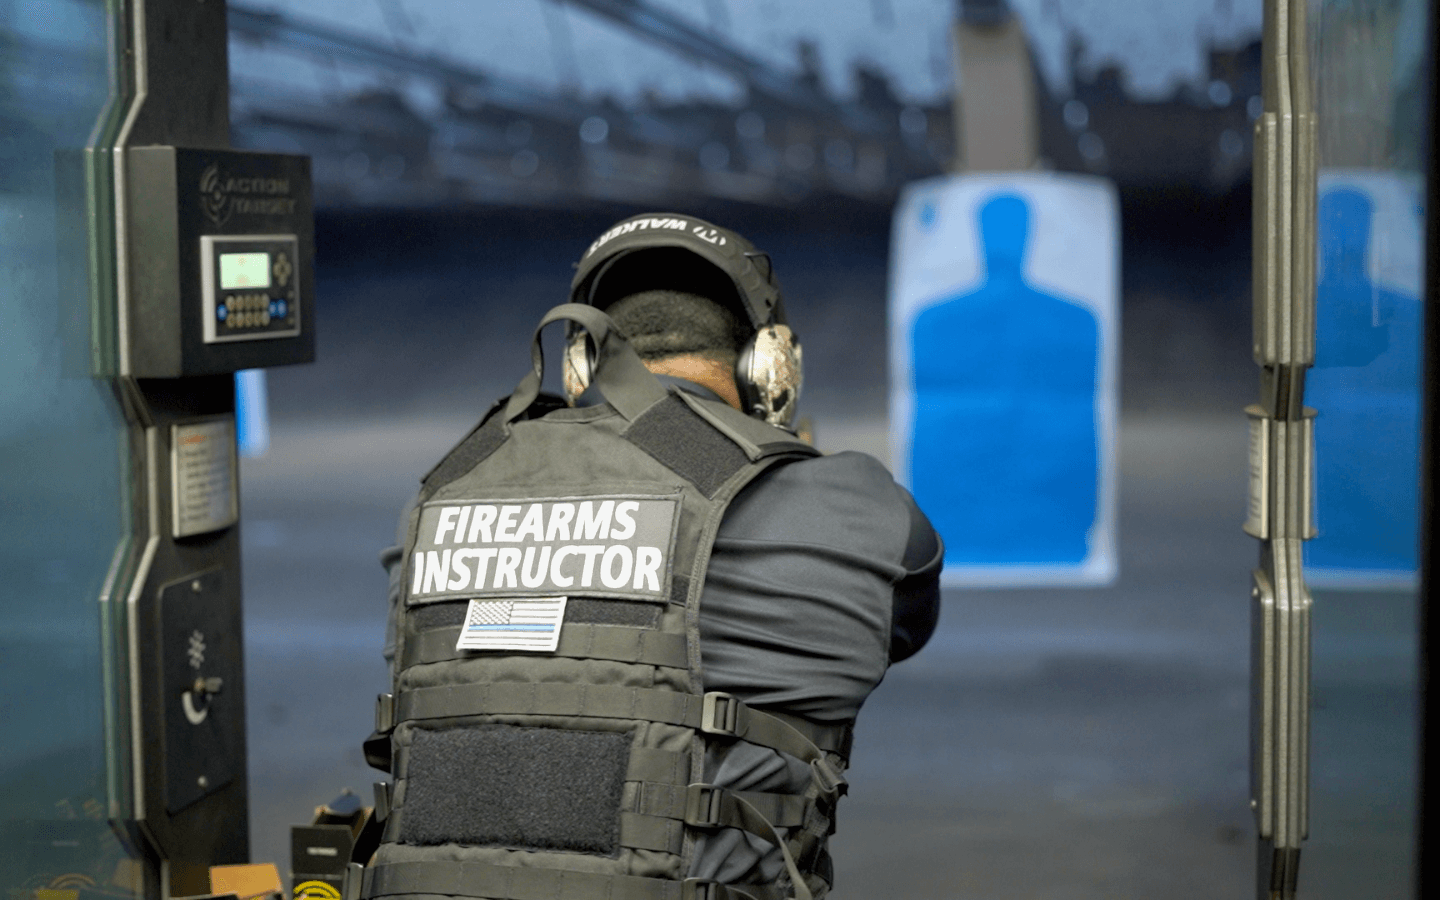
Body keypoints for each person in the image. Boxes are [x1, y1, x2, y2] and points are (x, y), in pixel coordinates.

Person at [361, 213, 941, 900]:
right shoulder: (854, 511)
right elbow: (908, 618)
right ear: (769, 370)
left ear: (577, 365)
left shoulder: (436, 502)